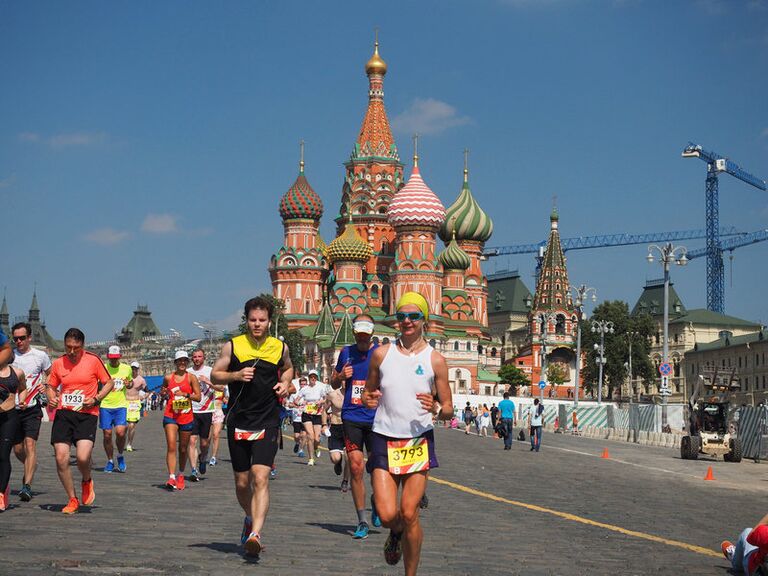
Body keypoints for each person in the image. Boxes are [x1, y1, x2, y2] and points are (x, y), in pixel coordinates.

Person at [363, 292, 453, 575]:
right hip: (383, 437)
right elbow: (369, 391)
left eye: (413, 316)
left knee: (410, 511)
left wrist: (438, 407)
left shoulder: (435, 359)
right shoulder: (381, 353)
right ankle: (396, 532)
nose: (407, 322)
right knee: (389, 514)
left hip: (417, 440)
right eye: (402, 317)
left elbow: (449, 407)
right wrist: (368, 399)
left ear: (423, 319)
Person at [210, 296, 294, 557]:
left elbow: (289, 369)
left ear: (270, 322)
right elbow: (215, 375)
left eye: (262, 320)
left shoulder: (279, 347)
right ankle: (249, 517)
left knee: (261, 477)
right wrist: (235, 375)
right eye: (253, 320)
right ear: (246, 320)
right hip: (239, 420)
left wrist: (286, 383)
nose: (257, 325)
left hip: (267, 420)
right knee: (242, 483)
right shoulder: (233, 347)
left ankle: (256, 533)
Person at [46, 328, 114, 514]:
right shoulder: (59, 363)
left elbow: (109, 382)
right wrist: (51, 397)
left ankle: (86, 480)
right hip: (64, 414)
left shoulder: (93, 360)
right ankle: (72, 499)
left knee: (83, 458)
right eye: (68, 347)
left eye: (76, 347)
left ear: (82, 345)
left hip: (87, 414)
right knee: (61, 458)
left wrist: (96, 399)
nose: (72, 351)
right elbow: (50, 386)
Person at [331, 314, 380, 538]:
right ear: (354, 333)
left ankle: (377, 501)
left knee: (378, 468)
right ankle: (361, 520)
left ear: (371, 333)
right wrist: (341, 375)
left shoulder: (381, 353)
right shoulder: (346, 352)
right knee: (357, 466)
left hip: (377, 418)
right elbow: (333, 381)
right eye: (358, 334)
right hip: (352, 417)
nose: (362, 338)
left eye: (365, 335)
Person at [10, 322, 52, 501]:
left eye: (22, 338)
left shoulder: (40, 356)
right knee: (18, 449)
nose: (18, 341)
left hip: (32, 406)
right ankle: (31, 464)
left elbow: (51, 373)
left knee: (30, 445)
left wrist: (46, 384)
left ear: (29, 338)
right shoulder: (9, 356)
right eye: (15, 338)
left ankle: (26, 486)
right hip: (13, 407)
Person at [161, 350, 201, 491]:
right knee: (171, 445)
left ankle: (181, 474)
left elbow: (198, 397)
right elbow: (163, 391)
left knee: (183, 449)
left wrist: (185, 394)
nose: (182, 363)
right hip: (171, 415)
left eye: (185, 360)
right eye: (179, 361)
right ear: (175, 363)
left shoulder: (191, 378)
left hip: (186, 416)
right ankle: (171, 477)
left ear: (187, 362)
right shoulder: (168, 377)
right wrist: (164, 393)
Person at [187, 349, 223, 481]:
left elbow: (221, 388)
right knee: (192, 441)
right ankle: (193, 470)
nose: (197, 359)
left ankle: (203, 458)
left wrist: (208, 382)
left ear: (204, 357)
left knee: (204, 443)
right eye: (195, 357)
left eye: (199, 356)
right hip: (191, 411)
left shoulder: (210, 371)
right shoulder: (188, 372)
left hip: (206, 410)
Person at [0, 351, 26, 511]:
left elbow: (23, 389)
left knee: (3, 455)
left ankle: (1, 493)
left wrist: (22, 400)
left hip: (9, 417)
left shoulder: (17, 372)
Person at [100, 345, 132, 473]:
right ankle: (110, 460)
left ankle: (119, 455)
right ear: (108, 357)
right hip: (105, 405)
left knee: (120, 432)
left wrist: (129, 384)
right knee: (107, 434)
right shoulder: (103, 369)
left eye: (116, 358)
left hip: (120, 405)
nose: (113, 360)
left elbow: (130, 383)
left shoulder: (126, 368)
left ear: (120, 357)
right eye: (111, 358)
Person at [298, 369, 328, 466]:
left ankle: (316, 447)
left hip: (317, 414)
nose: (313, 379)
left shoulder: (320, 388)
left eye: (315, 377)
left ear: (317, 378)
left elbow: (325, 399)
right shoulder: (304, 389)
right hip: (307, 414)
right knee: (310, 435)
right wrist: (301, 402)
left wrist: (321, 402)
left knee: (317, 438)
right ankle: (311, 459)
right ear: (309, 378)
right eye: (311, 377)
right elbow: (297, 400)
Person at [125, 361, 147, 451]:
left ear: (138, 369)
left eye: (135, 369)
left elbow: (147, 391)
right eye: (132, 368)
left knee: (132, 425)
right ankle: (122, 439)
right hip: (125, 401)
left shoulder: (141, 380)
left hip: (134, 402)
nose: (133, 370)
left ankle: (129, 444)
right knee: (123, 426)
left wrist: (143, 396)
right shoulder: (126, 378)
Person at [208, 382, 229, 467]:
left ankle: (213, 457)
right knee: (207, 438)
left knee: (216, 435)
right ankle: (204, 454)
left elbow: (225, 400)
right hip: (208, 412)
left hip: (218, 412)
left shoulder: (223, 387)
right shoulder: (208, 386)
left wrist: (226, 400)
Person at [287, 376, 307, 458]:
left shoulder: (308, 394)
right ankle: (297, 443)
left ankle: (301, 450)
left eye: (305, 384)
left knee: (304, 435)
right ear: (299, 385)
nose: (303, 386)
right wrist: (295, 406)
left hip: (306, 417)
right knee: (296, 436)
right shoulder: (295, 394)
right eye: (302, 384)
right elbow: (289, 404)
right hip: (296, 418)